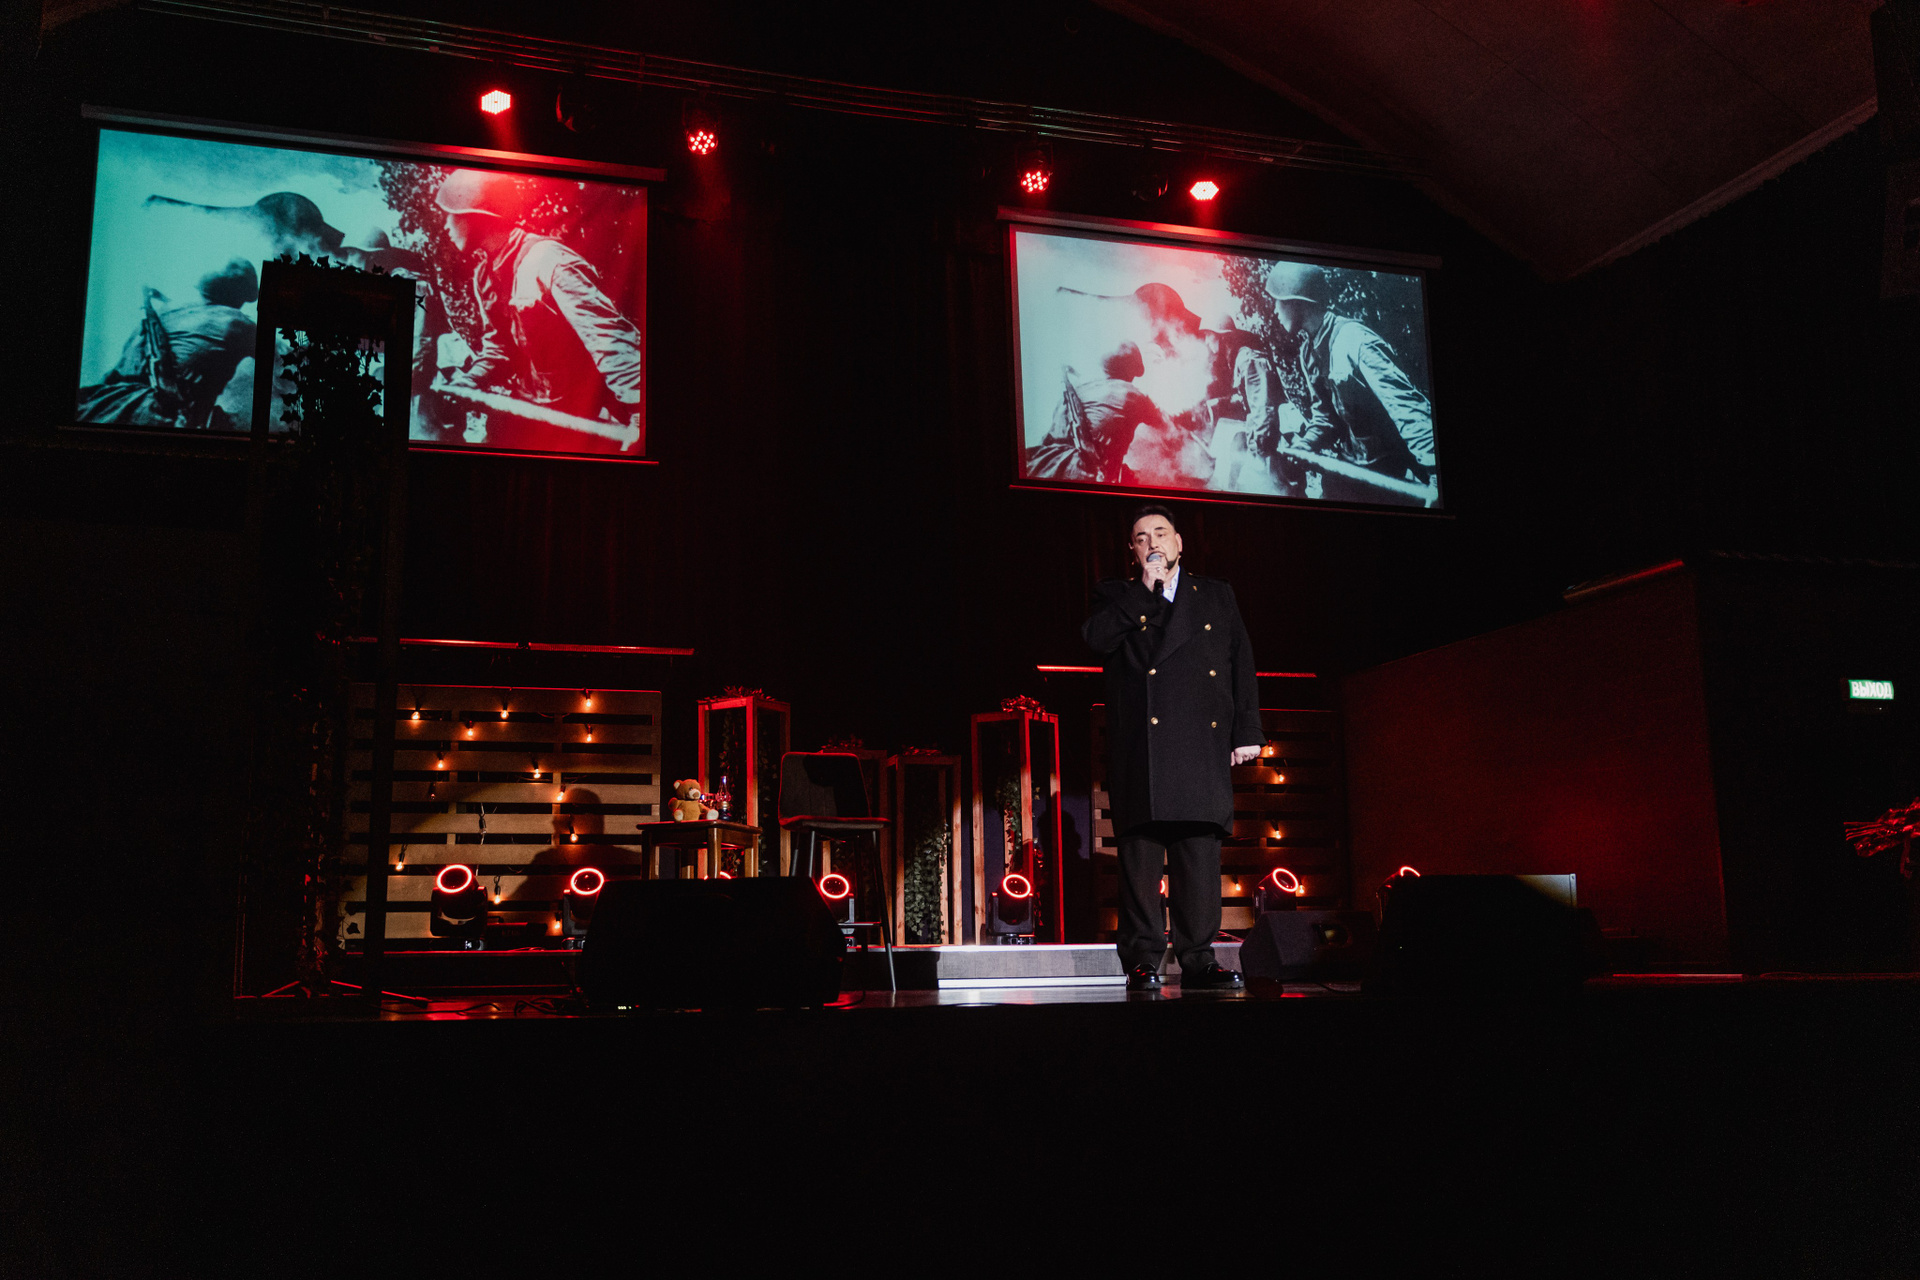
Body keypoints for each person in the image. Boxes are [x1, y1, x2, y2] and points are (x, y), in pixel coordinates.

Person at [1081, 504, 1264, 993]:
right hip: (1141, 747)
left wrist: (1247, 730)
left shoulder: (1217, 594)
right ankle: (1142, 960)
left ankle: (1199, 960)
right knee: (1140, 861)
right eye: (1142, 537)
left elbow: (1241, 662)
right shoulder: (1116, 595)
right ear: (1133, 550)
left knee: (1198, 858)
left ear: (1179, 542)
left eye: (1161, 533)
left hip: (1200, 743)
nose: (1153, 543)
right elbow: (1095, 639)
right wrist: (1145, 590)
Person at [432, 169, 643, 442]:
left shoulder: (546, 260)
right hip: (531, 413)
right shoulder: (484, 276)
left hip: (583, 419)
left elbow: (609, 340)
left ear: (477, 216)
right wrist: (470, 380)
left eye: (452, 215)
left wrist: (639, 417)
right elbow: (499, 348)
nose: (445, 226)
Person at [1263, 262, 1436, 496]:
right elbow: (1325, 417)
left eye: (1278, 301)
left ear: (1296, 301)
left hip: (1390, 476)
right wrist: (1305, 444)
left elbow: (1409, 409)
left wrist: (1435, 475)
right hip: (1352, 470)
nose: (1275, 311)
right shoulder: (1309, 352)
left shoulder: (1355, 341)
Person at [76, 258, 259, 430]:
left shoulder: (164, 312)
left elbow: (115, 375)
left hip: (101, 408)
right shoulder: (239, 324)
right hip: (161, 421)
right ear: (241, 295)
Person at [1026, 342, 1168, 484]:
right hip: (1083, 477)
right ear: (1130, 370)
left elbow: (1049, 439)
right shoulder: (1133, 395)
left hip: (1040, 468)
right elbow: (1165, 425)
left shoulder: (1078, 391)